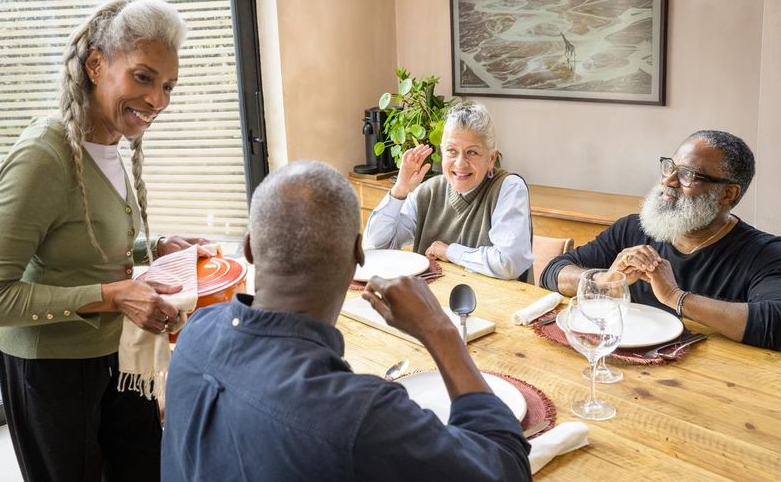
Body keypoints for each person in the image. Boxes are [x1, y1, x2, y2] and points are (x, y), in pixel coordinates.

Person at [162, 161, 532, 481]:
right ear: (359, 253)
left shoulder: (197, 332)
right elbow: (504, 468)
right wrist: (441, 331)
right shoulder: (357, 414)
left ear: (249, 248)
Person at [0, 0, 210, 481]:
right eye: (143, 77)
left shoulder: (106, 140)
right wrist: (109, 297)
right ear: (95, 64)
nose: (158, 101)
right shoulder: (43, 157)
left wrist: (157, 245)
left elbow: (76, 242)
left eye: (167, 85)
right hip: (51, 373)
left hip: (116, 357)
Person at [540, 130, 781, 351]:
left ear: (728, 194)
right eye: (670, 167)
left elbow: (775, 324)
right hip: (623, 365)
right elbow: (553, 272)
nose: (668, 180)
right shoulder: (632, 229)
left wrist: (675, 297)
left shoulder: (765, 254)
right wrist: (603, 281)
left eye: (688, 175)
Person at [363, 102, 532, 280]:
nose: (460, 163)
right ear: (442, 152)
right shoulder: (428, 192)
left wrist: (449, 252)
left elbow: (508, 263)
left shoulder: (509, 188)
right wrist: (400, 190)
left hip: (497, 304)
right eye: (452, 151)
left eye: (472, 152)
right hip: (433, 301)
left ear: (491, 159)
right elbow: (375, 247)